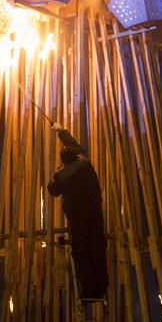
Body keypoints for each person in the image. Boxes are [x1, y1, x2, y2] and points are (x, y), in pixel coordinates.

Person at [47, 124, 108, 299]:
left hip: (77, 217)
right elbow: (75, 145)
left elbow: (53, 190)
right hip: (95, 211)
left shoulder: (62, 175)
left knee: (81, 251)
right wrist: (60, 131)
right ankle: (102, 285)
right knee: (96, 247)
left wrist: (56, 174)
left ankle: (89, 289)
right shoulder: (85, 162)